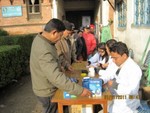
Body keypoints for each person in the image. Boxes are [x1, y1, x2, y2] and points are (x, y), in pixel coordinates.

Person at [30, 18, 92, 113]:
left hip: (45, 86)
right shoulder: (44, 49)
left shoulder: (42, 39)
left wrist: (65, 65)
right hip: (47, 91)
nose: (60, 39)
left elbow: (57, 57)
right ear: (54, 32)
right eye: (59, 36)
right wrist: (80, 90)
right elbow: (55, 77)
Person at [101, 42, 142, 113]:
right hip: (118, 101)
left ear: (124, 56)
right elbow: (109, 73)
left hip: (127, 106)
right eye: (112, 58)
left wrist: (114, 85)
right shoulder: (120, 63)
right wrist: (101, 81)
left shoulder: (134, 69)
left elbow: (131, 91)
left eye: (115, 58)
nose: (113, 61)